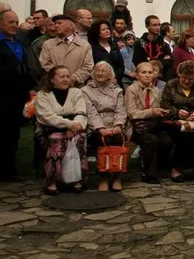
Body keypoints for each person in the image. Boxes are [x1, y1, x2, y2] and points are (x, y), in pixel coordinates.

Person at [35, 66, 88, 194]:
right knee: (56, 140)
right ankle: (52, 181)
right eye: (62, 77)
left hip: (75, 128)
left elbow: (81, 112)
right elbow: (47, 117)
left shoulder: (76, 92)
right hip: (49, 129)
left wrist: (74, 127)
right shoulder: (43, 95)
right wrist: (67, 125)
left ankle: (78, 179)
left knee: (79, 138)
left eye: (67, 76)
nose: (65, 79)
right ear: (52, 79)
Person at [161, 61, 194, 182]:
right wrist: (177, 112)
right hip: (174, 120)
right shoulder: (171, 85)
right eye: (184, 78)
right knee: (184, 136)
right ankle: (177, 168)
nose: (186, 81)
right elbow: (165, 104)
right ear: (179, 74)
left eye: (190, 79)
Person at [81, 62, 126, 192]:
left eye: (103, 71)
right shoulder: (85, 91)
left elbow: (121, 110)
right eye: (97, 71)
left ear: (109, 74)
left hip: (114, 125)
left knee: (117, 140)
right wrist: (101, 128)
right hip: (96, 127)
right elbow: (90, 112)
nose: (100, 73)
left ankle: (117, 177)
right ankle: (104, 178)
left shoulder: (117, 90)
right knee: (104, 141)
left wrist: (118, 125)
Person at [125, 62, 173, 184]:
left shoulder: (156, 90)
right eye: (144, 72)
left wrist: (163, 111)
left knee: (167, 140)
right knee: (151, 140)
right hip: (137, 125)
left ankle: (160, 166)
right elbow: (132, 113)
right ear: (137, 75)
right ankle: (148, 173)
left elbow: (158, 108)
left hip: (153, 124)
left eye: (150, 72)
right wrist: (151, 112)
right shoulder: (131, 89)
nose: (147, 75)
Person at [0, 10, 33, 181]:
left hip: (17, 97)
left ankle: (9, 171)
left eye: (16, 22)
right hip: (2, 97)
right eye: (9, 22)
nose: (14, 25)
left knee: (13, 135)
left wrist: (30, 89)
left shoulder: (19, 43)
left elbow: (24, 68)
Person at [40, 14, 94, 87]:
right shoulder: (48, 45)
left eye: (59, 23)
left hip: (76, 88)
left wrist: (74, 78)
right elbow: (45, 63)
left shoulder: (84, 45)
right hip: (54, 88)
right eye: (55, 23)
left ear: (71, 26)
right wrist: (59, 77)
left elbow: (88, 66)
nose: (55, 26)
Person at [133, 15, 172, 80]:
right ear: (147, 26)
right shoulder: (140, 44)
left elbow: (170, 62)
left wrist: (151, 59)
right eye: (154, 25)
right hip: (144, 79)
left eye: (159, 25)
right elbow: (137, 62)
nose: (158, 27)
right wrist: (161, 60)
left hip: (161, 79)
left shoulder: (164, 44)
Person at [88, 20, 125, 85]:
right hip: (98, 83)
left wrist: (115, 78)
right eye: (103, 29)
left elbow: (121, 66)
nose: (107, 31)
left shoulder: (114, 46)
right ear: (97, 33)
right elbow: (91, 66)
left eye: (108, 29)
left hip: (115, 83)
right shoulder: (92, 48)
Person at [28, 14, 57, 84]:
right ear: (46, 27)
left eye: (55, 25)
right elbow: (34, 68)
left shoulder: (67, 42)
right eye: (50, 25)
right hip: (45, 83)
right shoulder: (38, 44)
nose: (52, 28)